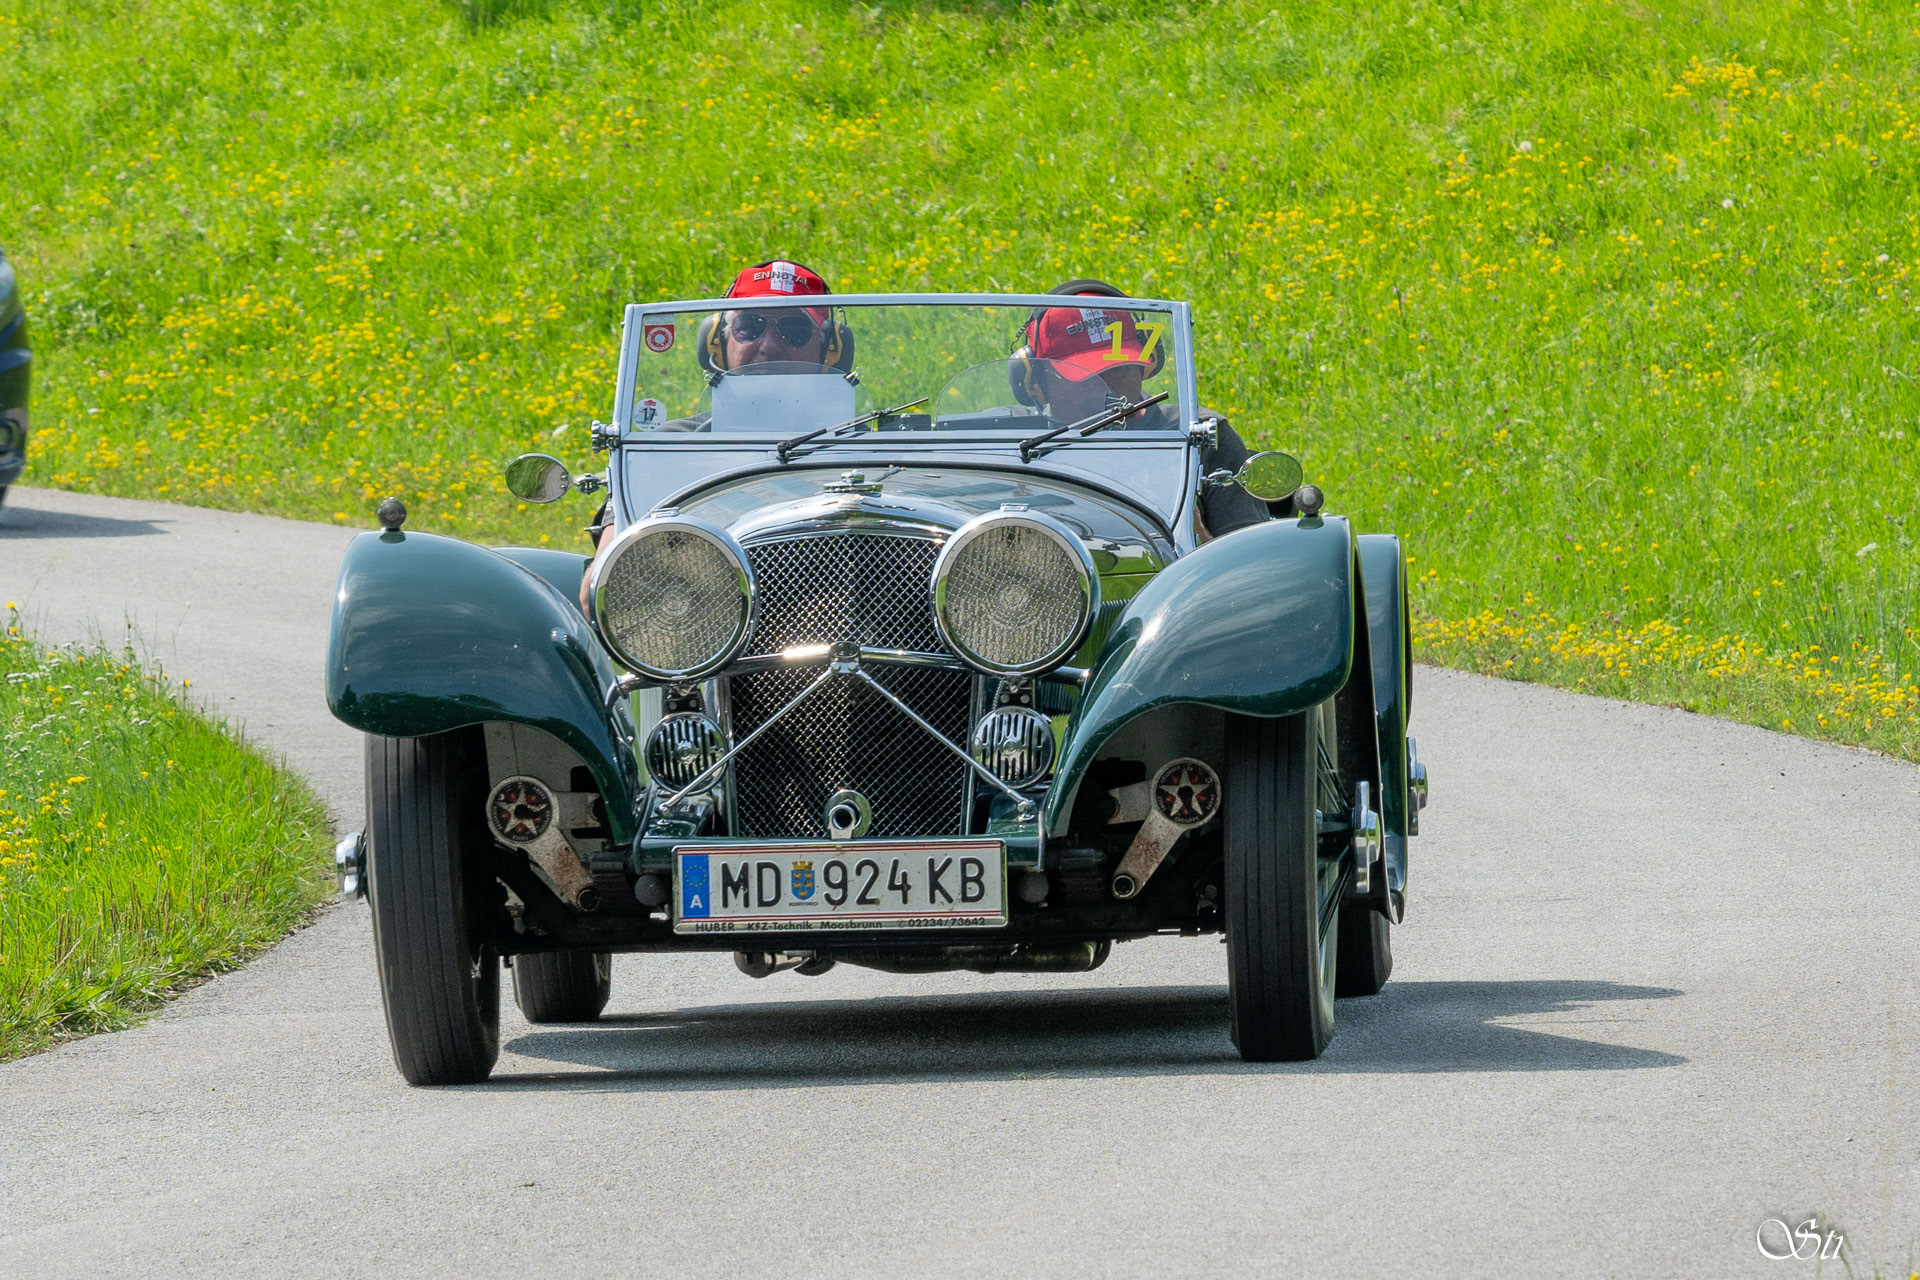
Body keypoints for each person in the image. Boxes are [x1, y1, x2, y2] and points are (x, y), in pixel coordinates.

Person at [581, 259, 842, 610]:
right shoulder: (668, 446)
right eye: (750, 326)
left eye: (793, 330)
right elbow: (602, 587)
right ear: (717, 340)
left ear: (831, 349)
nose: (768, 346)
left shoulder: (866, 447)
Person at [1015, 279, 1270, 537]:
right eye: (1084, 375)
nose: (1109, 388)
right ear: (1035, 380)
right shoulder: (1004, 444)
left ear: (1145, 364)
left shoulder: (1202, 437)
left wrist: (1197, 541)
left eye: (1119, 369)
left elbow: (1248, 568)